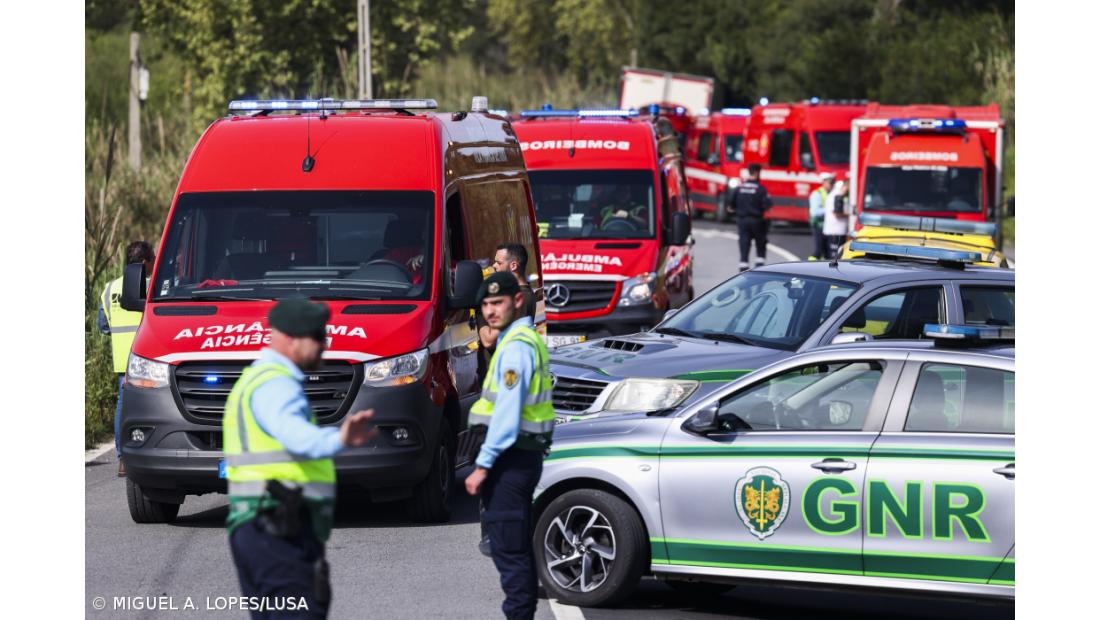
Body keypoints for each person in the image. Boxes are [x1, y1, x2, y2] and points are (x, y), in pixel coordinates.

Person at [223, 297, 377, 620]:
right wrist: (340, 438)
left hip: (258, 529)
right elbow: (295, 435)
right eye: (318, 337)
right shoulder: (276, 384)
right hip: (278, 530)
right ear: (292, 339)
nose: (325, 345)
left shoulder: (254, 379)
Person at [465, 272, 556, 620]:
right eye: (485, 304)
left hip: (510, 458)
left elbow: (507, 412)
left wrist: (484, 465)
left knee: (508, 548)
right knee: (515, 545)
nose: (490, 311)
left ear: (517, 301)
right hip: (520, 456)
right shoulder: (521, 339)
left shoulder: (516, 348)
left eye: (497, 302)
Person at [98, 240, 155, 475]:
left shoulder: (109, 289)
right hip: (148, 356)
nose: (153, 264)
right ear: (144, 262)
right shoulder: (152, 287)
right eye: (152, 260)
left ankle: (123, 458)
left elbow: (103, 326)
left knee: (123, 406)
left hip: (123, 359)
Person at [732, 163, 773, 271]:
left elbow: (730, 207)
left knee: (744, 243)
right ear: (756, 173)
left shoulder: (739, 188)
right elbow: (768, 206)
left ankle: (743, 267)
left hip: (742, 220)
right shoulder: (761, 189)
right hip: (757, 221)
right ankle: (760, 268)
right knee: (760, 243)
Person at [808, 173, 836, 260]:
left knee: (828, 252)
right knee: (818, 251)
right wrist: (829, 210)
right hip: (819, 226)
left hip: (828, 227)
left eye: (833, 182)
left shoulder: (831, 194)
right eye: (830, 182)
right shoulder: (817, 194)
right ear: (824, 182)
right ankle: (810, 267)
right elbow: (814, 212)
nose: (832, 185)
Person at [824, 179, 851, 257]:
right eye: (848, 190)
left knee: (835, 256)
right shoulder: (838, 196)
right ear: (845, 187)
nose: (848, 193)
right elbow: (837, 213)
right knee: (835, 257)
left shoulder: (835, 194)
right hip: (836, 232)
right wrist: (851, 214)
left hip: (835, 231)